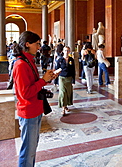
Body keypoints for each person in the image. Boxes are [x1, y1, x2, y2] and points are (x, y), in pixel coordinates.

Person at [12, 31, 58, 167]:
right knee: (28, 150)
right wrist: (43, 80)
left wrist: (46, 79)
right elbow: (25, 93)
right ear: (27, 44)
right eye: (37, 44)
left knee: (32, 148)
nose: (39, 47)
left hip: (35, 109)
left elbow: (33, 84)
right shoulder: (21, 64)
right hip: (28, 111)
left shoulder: (29, 61)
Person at [54, 45, 75, 116]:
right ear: (63, 51)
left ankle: (66, 105)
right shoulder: (60, 60)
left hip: (69, 78)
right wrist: (55, 81)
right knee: (62, 93)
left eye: (68, 50)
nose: (67, 52)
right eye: (65, 50)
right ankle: (63, 108)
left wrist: (73, 80)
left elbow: (73, 70)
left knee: (68, 93)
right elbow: (56, 71)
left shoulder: (71, 60)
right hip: (62, 78)